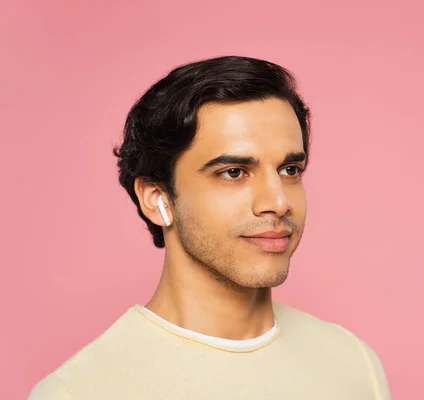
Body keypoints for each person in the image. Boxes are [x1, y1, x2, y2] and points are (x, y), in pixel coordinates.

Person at [29, 55, 391, 399]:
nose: (279, 202)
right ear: (157, 197)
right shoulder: (78, 392)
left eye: (289, 170)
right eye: (233, 173)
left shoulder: (355, 364)